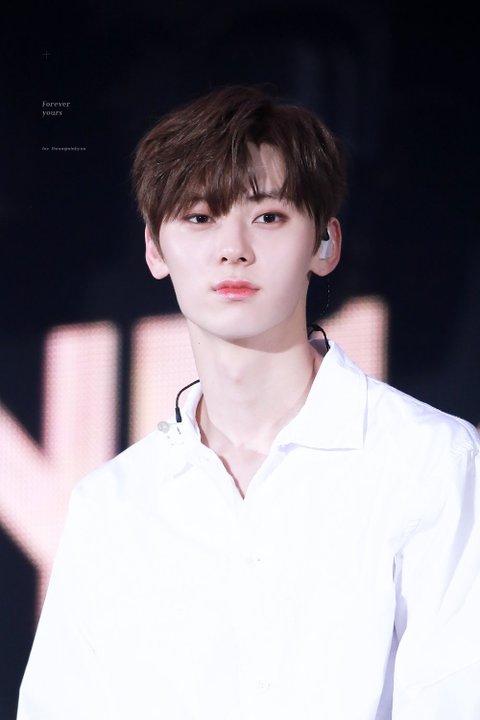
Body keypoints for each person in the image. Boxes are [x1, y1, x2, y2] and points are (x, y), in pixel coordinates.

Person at [17, 86, 480, 720]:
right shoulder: (113, 505)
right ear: (154, 248)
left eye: (268, 217)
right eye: (199, 217)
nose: (233, 248)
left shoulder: (432, 463)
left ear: (325, 243)